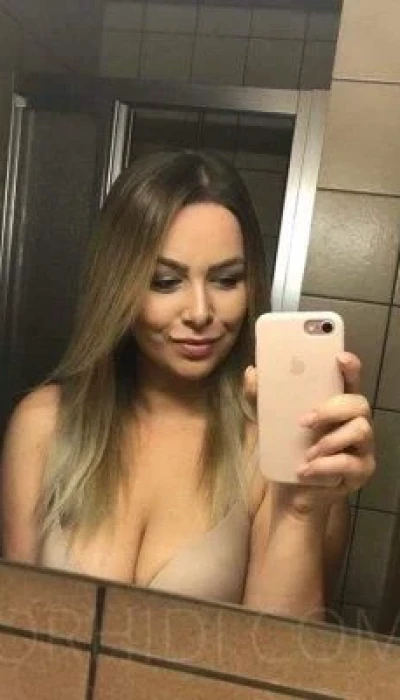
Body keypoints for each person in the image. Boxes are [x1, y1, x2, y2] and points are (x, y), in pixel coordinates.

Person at [0, 150, 375, 620]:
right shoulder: (44, 423)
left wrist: (301, 510)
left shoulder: (279, 448)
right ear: (117, 287)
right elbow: (14, 629)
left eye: (226, 280)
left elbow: (276, 657)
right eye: (165, 281)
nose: (200, 312)